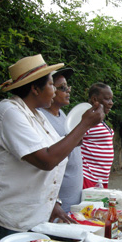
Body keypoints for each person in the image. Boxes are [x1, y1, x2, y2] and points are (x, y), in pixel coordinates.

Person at [0, 55, 104, 242]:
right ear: (35, 89)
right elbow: (46, 159)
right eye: (52, 85)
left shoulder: (35, 115)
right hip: (12, 212)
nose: (55, 90)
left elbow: (54, 147)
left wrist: (52, 202)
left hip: (32, 211)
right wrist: (84, 124)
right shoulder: (9, 112)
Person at [39, 68, 83, 212]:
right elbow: (47, 159)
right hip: (57, 204)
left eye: (67, 87)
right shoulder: (41, 118)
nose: (68, 91)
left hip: (72, 199)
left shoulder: (63, 115)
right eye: (62, 88)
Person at [81, 83, 115, 189]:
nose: (111, 103)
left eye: (111, 99)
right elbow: (73, 141)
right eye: (107, 99)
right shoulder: (86, 120)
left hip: (101, 178)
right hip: (88, 177)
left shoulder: (98, 120)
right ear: (94, 99)